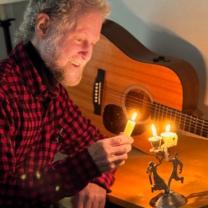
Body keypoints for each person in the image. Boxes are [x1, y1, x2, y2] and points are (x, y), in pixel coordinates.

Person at [0, 0, 133, 207]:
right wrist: (86, 167)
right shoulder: (5, 93)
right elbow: (5, 195)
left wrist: (96, 179)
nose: (88, 54)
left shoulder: (53, 92)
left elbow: (95, 142)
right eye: (80, 39)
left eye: (93, 43)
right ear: (43, 26)